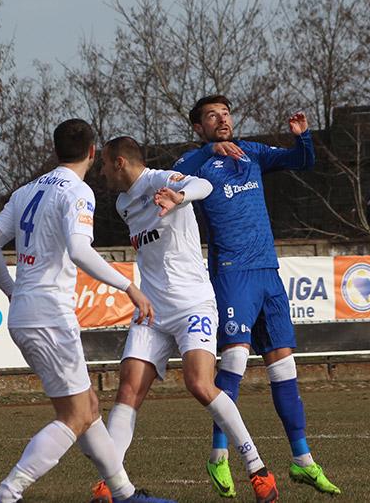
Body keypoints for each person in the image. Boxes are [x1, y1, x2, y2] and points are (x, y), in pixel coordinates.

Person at [0, 119, 174, 503]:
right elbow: (80, 250)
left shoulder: (26, 191)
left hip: (26, 314)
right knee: (75, 416)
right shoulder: (78, 192)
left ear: (55, 151)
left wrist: (14, 292)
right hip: (50, 316)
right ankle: (7, 494)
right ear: (91, 152)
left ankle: (124, 492)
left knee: (88, 408)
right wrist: (129, 286)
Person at [172, 95, 341, 497]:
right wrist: (208, 151)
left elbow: (302, 162)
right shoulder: (198, 162)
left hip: (268, 271)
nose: (222, 119)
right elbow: (171, 176)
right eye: (213, 116)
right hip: (233, 275)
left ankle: (302, 461)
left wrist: (303, 139)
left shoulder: (251, 153)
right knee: (233, 363)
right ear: (199, 127)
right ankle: (219, 456)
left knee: (284, 368)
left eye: (226, 113)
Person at [97, 136, 278, 503]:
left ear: (119, 162)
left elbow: (204, 184)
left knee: (200, 384)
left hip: (193, 305)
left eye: (103, 164)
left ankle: (259, 470)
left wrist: (179, 197)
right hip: (151, 310)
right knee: (128, 391)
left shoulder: (160, 180)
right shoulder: (122, 204)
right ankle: (109, 483)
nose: (100, 172)